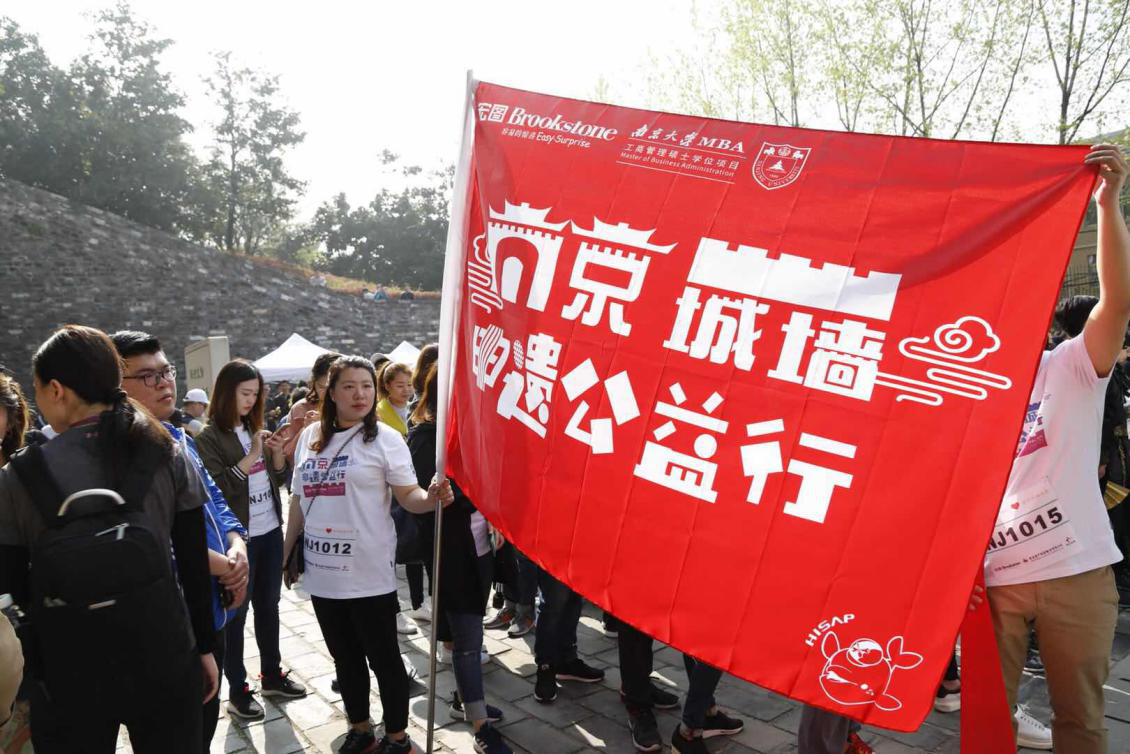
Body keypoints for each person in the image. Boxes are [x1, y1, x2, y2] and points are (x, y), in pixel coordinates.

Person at [0, 325, 216, 753]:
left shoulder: (17, 476)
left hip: (68, 671)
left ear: (56, 390)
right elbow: (193, 564)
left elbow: (11, 585)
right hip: (164, 654)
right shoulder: (166, 450)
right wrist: (204, 649)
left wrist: (38, 670)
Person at [977, 143, 1129, 752]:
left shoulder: (1071, 366)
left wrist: (1108, 204)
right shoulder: (963, 385)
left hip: (1077, 570)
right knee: (987, 721)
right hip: (992, 579)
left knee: (1081, 722)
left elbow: (1116, 303)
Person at [282, 355, 455, 754]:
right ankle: (360, 729)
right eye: (349, 386)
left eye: (366, 386)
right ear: (331, 393)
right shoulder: (310, 438)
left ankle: (397, 736)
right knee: (344, 659)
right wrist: (286, 551)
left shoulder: (386, 439)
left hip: (367, 572)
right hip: (323, 573)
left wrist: (432, 497)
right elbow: (298, 499)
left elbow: (408, 497)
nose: (359, 394)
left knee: (384, 658)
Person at [110, 331, 250, 752]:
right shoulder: (121, 457)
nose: (164, 383)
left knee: (201, 728)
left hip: (212, 606)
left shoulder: (180, 438)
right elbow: (151, 543)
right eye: (147, 376)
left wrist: (236, 544)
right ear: (117, 387)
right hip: (172, 619)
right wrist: (226, 566)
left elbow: (216, 501)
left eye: (166, 371)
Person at [407, 363, 513, 753]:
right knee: (467, 641)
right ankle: (480, 724)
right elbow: (426, 502)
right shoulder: (427, 438)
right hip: (452, 556)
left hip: (481, 551)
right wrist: (467, 496)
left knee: (466, 636)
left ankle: (466, 700)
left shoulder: (476, 430)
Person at [196, 360, 306, 721]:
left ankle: (272, 674)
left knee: (269, 606)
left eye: (256, 394)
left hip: (270, 530)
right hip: (238, 540)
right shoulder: (208, 438)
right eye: (245, 393)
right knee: (236, 616)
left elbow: (277, 479)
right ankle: (237, 689)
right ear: (226, 393)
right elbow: (218, 490)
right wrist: (253, 456)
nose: (251, 401)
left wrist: (275, 455)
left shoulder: (254, 429)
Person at [378, 362, 433, 625]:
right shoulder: (379, 413)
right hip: (391, 491)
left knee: (416, 548)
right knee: (399, 549)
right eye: (399, 385)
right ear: (387, 386)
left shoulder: (416, 409)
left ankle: (422, 602)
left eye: (409, 385)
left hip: (413, 484)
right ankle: (403, 607)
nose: (406, 390)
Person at [280, 352, 341, 465]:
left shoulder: (355, 406)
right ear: (313, 383)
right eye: (322, 387)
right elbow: (289, 456)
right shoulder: (301, 409)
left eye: (333, 387)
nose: (329, 394)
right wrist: (307, 429)